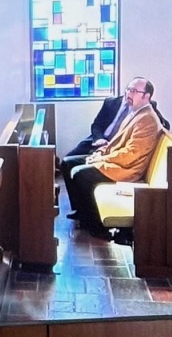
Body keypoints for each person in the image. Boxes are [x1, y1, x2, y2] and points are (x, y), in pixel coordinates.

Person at [64, 77, 164, 237]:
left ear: (147, 96)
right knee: (68, 163)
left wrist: (101, 159)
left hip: (127, 169)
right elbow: (118, 143)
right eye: (128, 89)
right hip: (117, 161)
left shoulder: (147, 119)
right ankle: (81, 211)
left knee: (81, 174)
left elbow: (131, 154)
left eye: (134, 91)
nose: (128, 94)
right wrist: (102, 153)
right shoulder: (136, 112)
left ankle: (96, 225)